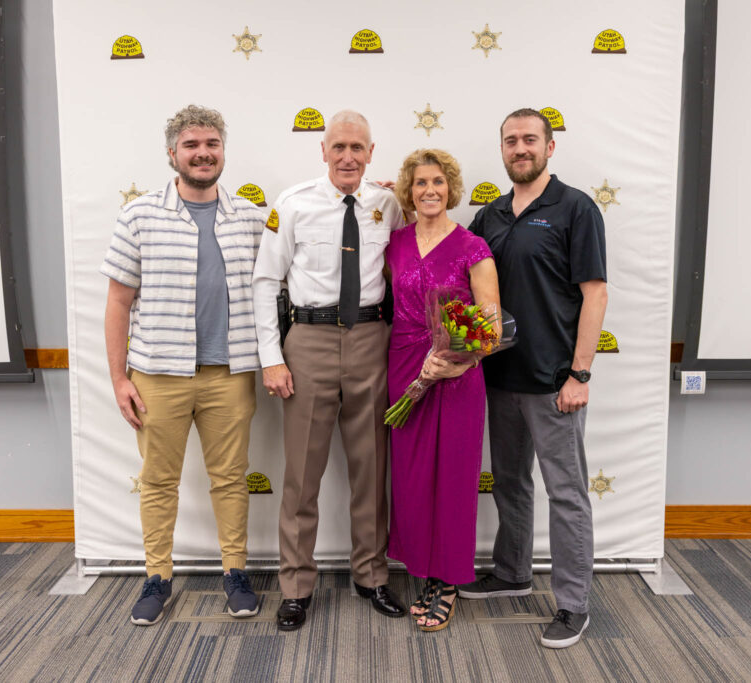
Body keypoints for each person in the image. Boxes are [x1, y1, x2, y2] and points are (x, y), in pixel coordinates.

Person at [101, 105, 266, 626]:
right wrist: (118, 378)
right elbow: (118, 302)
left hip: (229, 375)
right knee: (158, 481)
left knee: (230, 479)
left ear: (223, 151)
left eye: (212, 143)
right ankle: (157, 576)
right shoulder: (139, 215)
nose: (203, 153)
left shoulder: (250, 218)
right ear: (172, 153)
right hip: (157, 376)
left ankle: (235, 572)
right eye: (191, 145)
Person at [252, 110, 406, 632]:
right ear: (323, 151)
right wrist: (271, 357)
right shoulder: (293, 203)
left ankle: (372, 576)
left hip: (371, 340)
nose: (347, 156)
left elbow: (408, 263)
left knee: (372, 470)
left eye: (357, 147)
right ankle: (296, 587)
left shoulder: (388, 205)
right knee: (301, 476)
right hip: (309, 342)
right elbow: (265, 280)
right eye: (338, 146)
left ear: (371, 152)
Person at [461, 108, 608, 649]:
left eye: (529, 139)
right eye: (510, 140)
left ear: (550, 147)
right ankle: (511, 572)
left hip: (553, 384)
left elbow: (595, 294)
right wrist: (400, 204)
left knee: (566, 494)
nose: (520, 148)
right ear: (502, 149)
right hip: (499, 377)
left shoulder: (575, 208)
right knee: (510, 483)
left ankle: (573, 604)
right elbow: (453, 256)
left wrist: (579, 373)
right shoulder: (491, 214)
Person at [386, 149, 499, 632]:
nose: (429, 190)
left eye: (437, 182)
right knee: (412, 479)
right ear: (408, 192)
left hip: (457, 379)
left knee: (452, 481)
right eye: (420, 183)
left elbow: (492, 328)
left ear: (450, 188)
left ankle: (448, 582)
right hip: (404, 371)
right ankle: (423, 572)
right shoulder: (394, 243)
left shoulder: (474, 247)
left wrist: (456, 362)